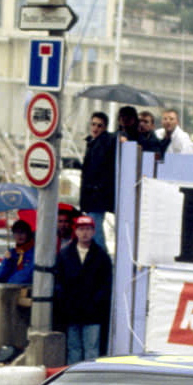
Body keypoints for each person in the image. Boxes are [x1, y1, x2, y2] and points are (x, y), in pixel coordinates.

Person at [54, 215, 113, 364]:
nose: (84, 233)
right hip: (71, 310)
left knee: (92, 349)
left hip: (92, 312)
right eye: (81, 229)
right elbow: (59, 280)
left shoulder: (101, 256)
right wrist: (65, 302)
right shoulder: (65, 254)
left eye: (88, 229)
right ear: (76, 231)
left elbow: (106, 284)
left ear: (93, 231)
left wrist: (96, 302)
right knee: (73, 348)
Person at [79, 111, 116, 245]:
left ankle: (102, 261)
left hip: (96, 198)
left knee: (95, 233)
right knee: (94, 231)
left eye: (99, 126)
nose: (95, 128)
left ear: (105, 128)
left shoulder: (104, 142)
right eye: (94, 124)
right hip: (92, 198)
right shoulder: (93, 143)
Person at [0, 219, 35, 284]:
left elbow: (28, 274)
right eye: (16, 232)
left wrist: (10, 282)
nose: (19, 235)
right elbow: (0, 275)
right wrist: (7, 261)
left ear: (28, 234)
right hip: (11, 289)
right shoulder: (12, 252)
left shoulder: (34, 253)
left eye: (22, 232)